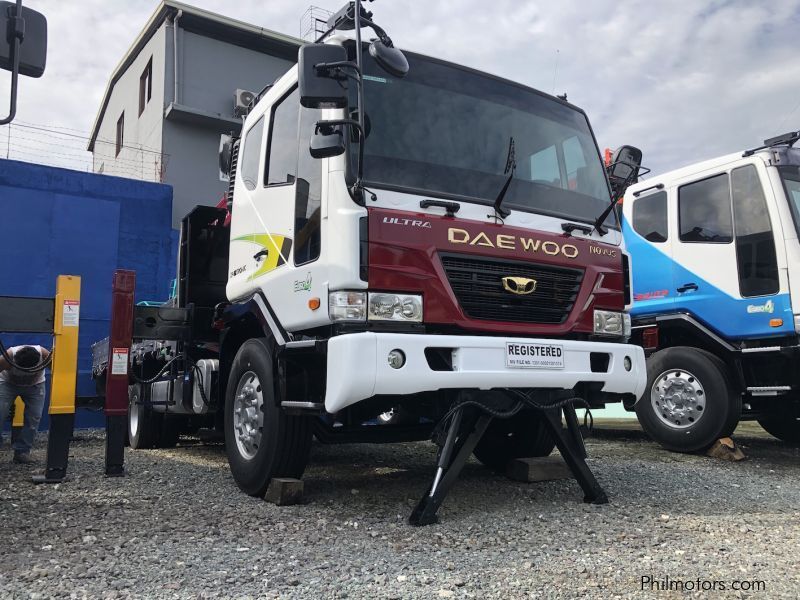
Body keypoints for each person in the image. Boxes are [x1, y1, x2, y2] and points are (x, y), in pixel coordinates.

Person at [0, 345, 50, 463]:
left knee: (34, 417)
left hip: (35, 386)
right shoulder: (7, 357)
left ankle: (22, 452)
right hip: (8, 384)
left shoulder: (45, 355)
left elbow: (58, 370)